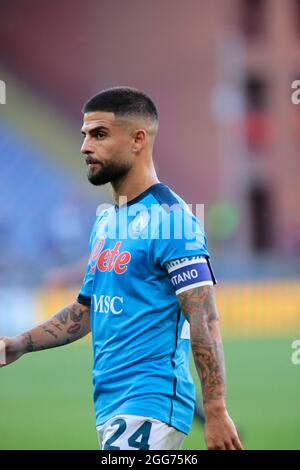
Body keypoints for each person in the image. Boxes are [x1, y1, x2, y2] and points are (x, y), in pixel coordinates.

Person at [0, 87, 242, 451]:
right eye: (84, 135)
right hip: (111, 403)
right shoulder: (106, 221)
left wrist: (216, 410)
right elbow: (86, 310)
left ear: (137, 140)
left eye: (99, 134)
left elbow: (204, 318)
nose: (84, 146)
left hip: (150, 403)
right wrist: (20, 343)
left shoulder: (173, 221)